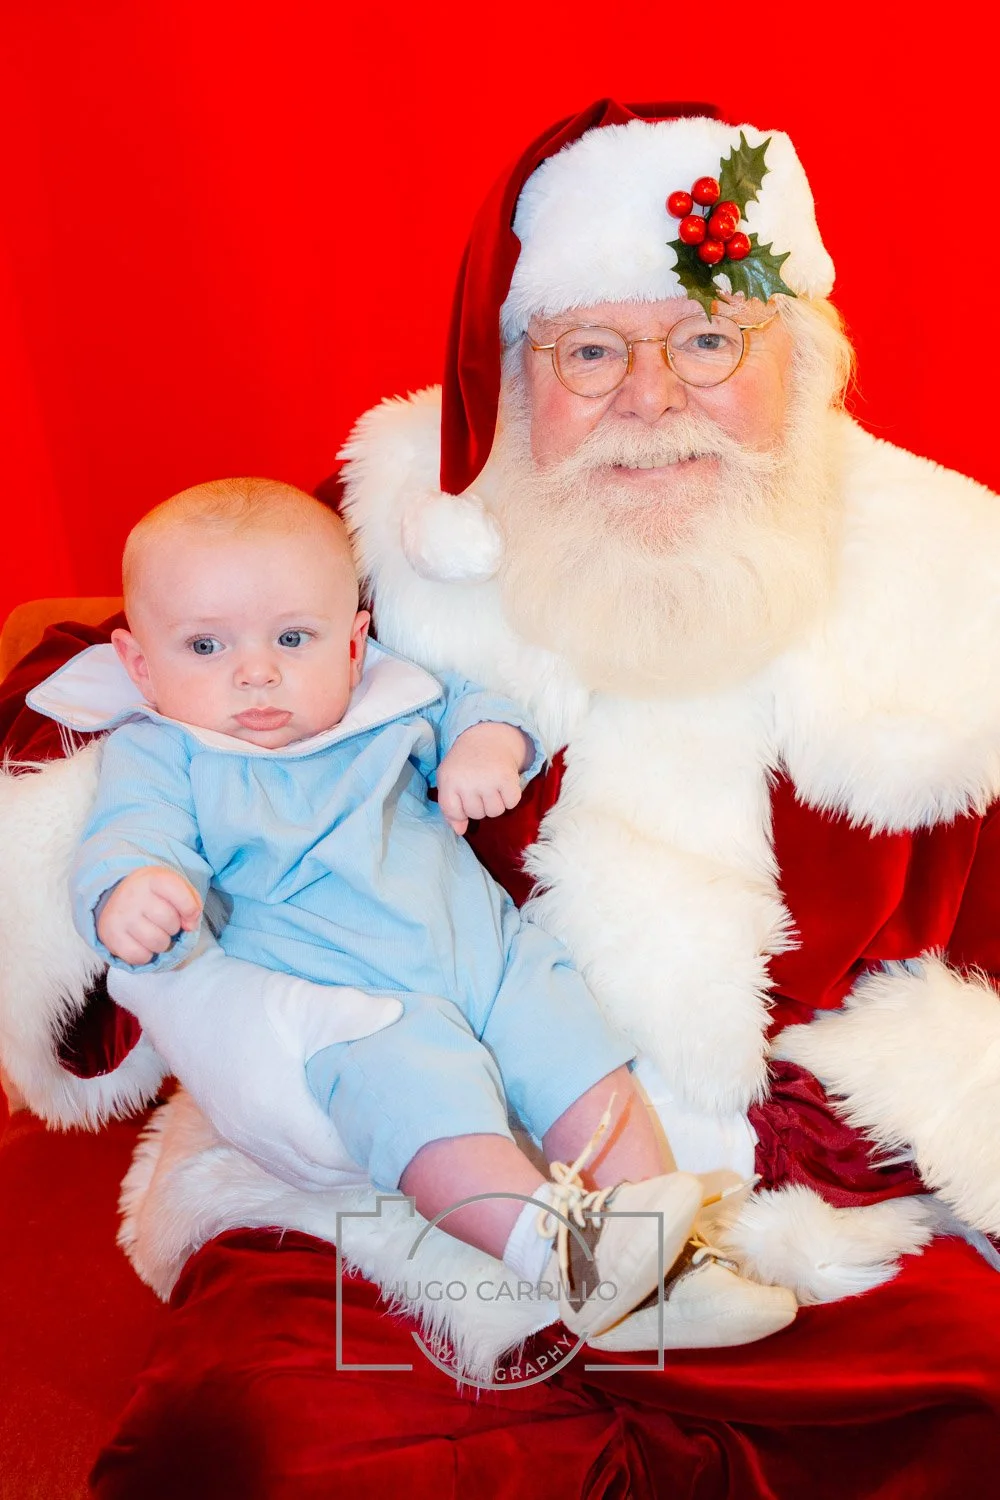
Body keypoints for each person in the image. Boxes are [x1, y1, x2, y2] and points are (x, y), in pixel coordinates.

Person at [2, 98, 1000, 1497]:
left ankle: (659, 1255)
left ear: (806, 360)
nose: (652, 398)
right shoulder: (397, 527)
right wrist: (169, 921)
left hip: (797, 1180)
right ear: (515, 375)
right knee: (264, 1446)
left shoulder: (959, 585)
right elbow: (143, 662)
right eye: (592, 349)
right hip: (377, 1177)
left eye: (710, 338)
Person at [53, 475, 791, 1345]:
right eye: (205, 647)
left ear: (354, 645)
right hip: (355, 1005)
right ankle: (557, 1251)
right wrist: (132, 891)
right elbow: (123, 839)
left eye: (294, 637)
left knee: (582, 1060)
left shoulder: (385, 698)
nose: (257, 672)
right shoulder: (165, 752)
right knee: (421, 1105)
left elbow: (477, 705)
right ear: (140, 663)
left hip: (483, 952)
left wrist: (487, 745)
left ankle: (663, 1265)